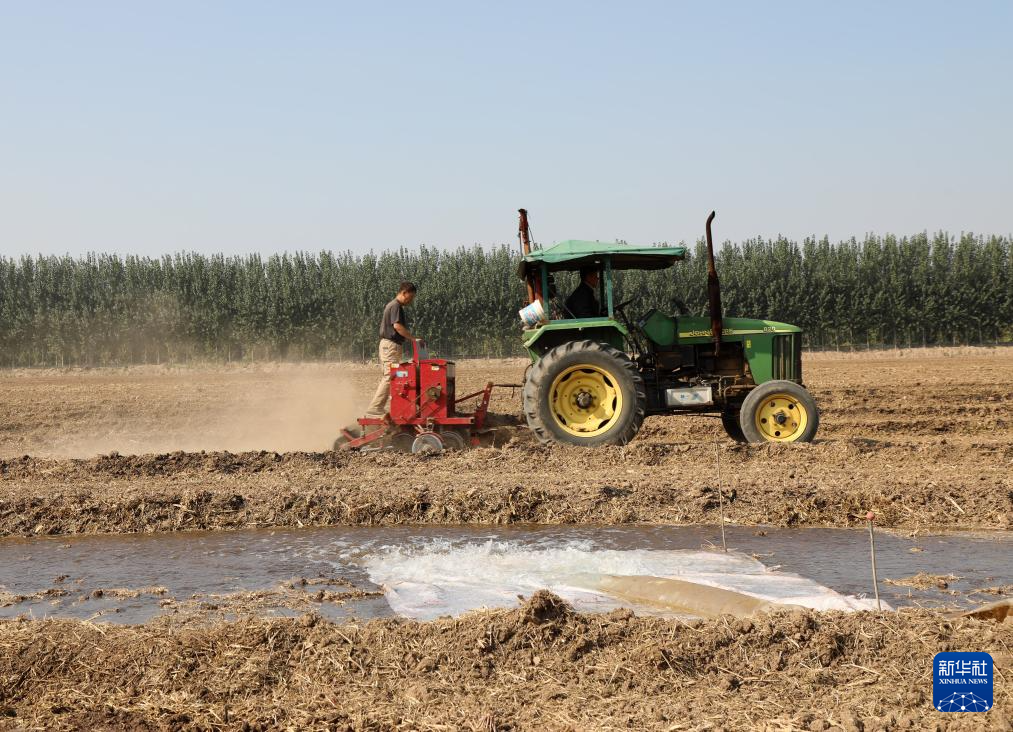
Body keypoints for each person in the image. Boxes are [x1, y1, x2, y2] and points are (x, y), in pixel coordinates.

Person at [365, 281, 417, 417]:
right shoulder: (395, 306)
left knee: (396, 375)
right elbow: (397, 326)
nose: (410, 301)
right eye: (410, 297)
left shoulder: (394, 306)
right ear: (404, 292)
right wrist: (413, 339)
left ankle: (393, 406)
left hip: (392, 346)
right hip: (390, 345)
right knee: (391, 375)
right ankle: (375, 408)